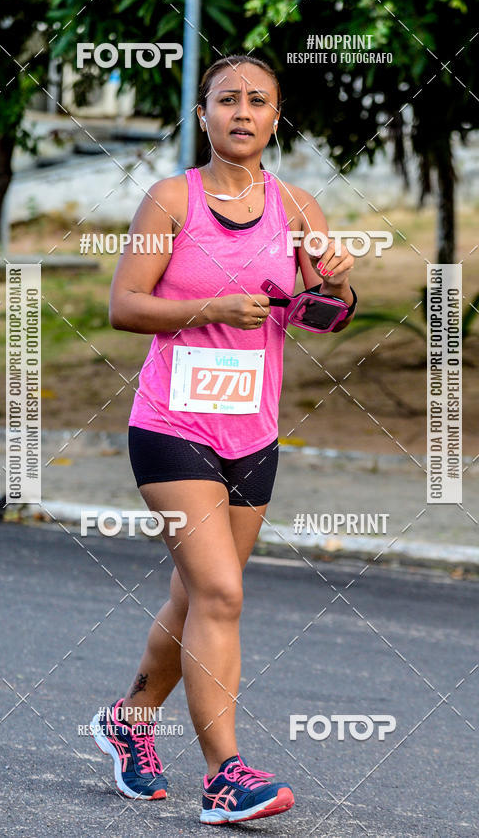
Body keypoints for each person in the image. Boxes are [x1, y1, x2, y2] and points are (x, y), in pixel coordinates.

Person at [90, 54, 356, 825]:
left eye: (258, 101)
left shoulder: (299, 207)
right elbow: (125, 306)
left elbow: (324, 319)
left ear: (277, 117)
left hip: (253, 432)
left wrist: (334, 284)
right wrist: (209, 306)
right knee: (222, 592)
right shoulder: (171, 199)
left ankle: (129, 721)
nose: (242, 112)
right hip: (172, 429)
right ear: (202, 114)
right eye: (226, 99)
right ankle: (225, 775)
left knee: (195, 594)